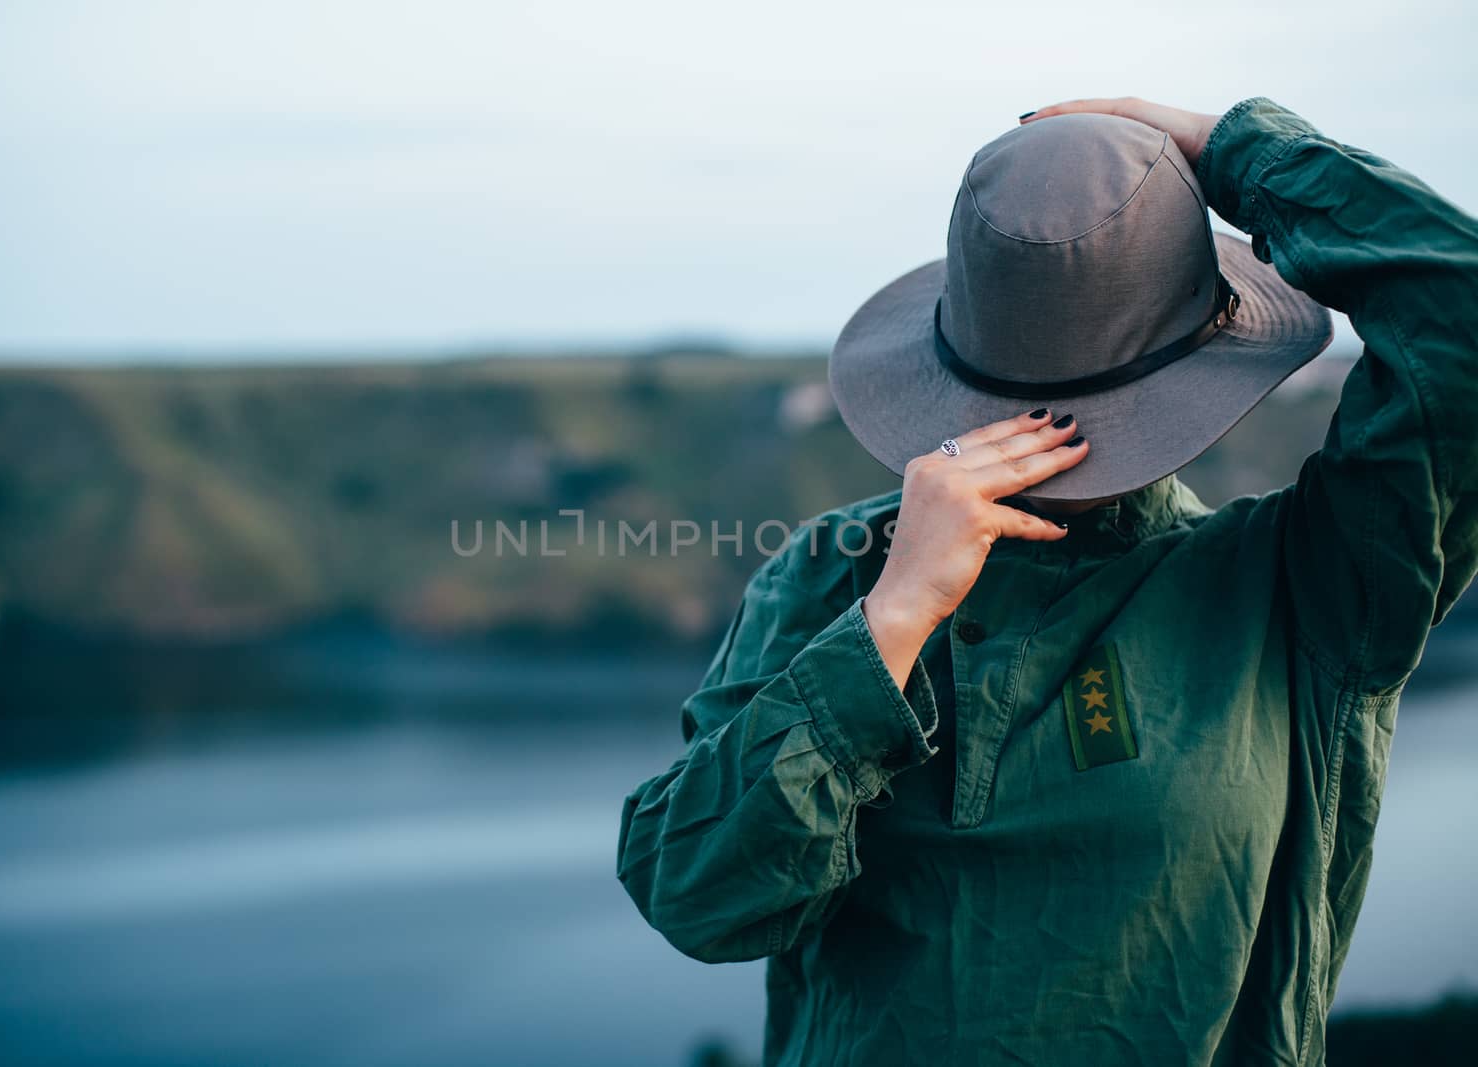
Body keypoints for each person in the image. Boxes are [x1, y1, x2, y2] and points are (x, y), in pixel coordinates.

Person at [614, 95, 1478, 1065]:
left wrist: (1236, 152)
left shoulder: (1301, 587)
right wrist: (892, 619)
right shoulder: (831, 573)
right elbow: (694, 896)